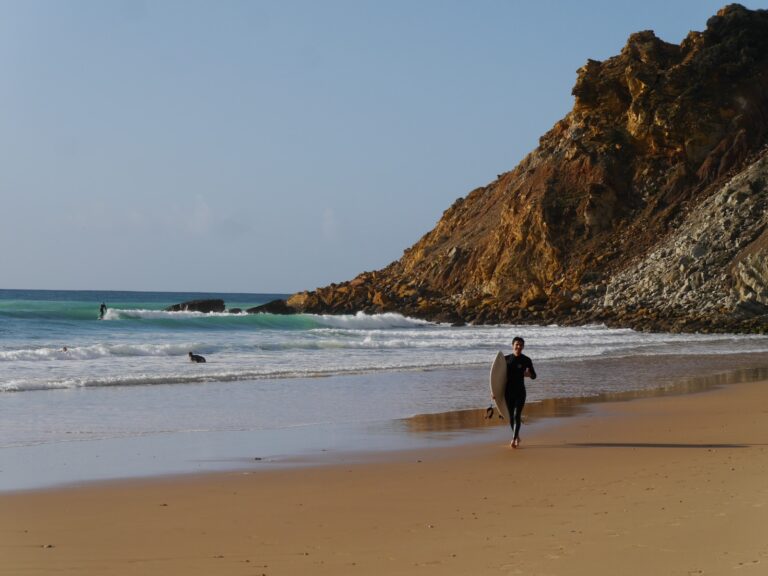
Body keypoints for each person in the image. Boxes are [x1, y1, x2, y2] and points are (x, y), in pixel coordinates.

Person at [504, 336, 536, 448]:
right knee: (511, 417)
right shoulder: (505, 359)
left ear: (523, 346)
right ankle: (517, 436)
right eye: (517, 344)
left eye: (521, 345)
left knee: (516, 415)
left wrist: (529, 374)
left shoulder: (526, 360)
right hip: (507, 392)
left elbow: (534, 376)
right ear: (512, 345)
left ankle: (513, 439)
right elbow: (497, 378)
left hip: (520, 392)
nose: (519, 347)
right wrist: (494, 392)